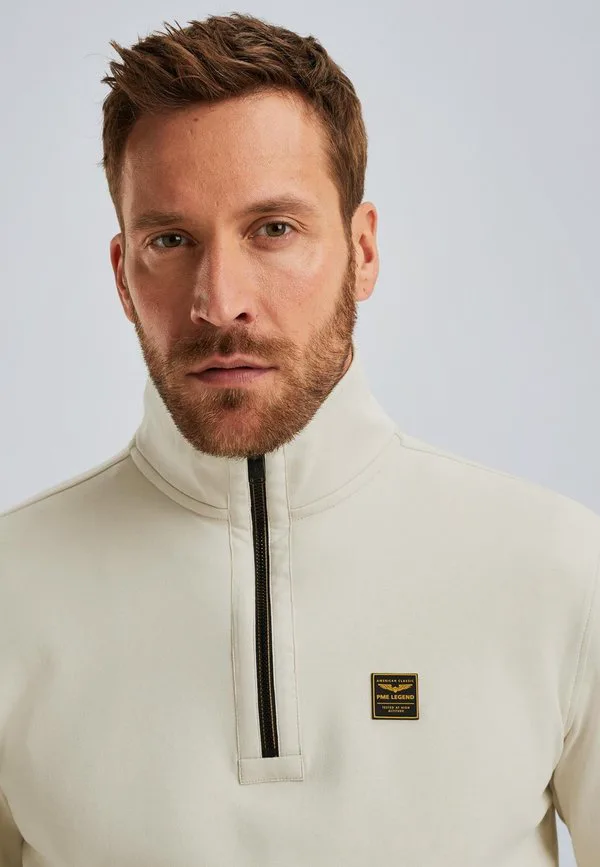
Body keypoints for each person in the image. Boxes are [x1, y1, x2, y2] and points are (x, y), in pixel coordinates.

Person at [1, 12, 598, 867]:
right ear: (123, 276)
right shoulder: (12, 591)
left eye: (273, 229)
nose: (220, 300)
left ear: (363, 250)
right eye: (171, 240)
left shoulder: (562, 572)